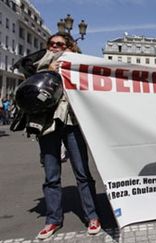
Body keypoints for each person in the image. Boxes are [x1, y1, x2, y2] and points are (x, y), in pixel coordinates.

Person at [35, 33, 101, 240]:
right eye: (52, 44)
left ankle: (92, 216)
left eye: (60, 44)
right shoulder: (41, 63)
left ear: (69, 46)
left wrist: (70, 63)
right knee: (51, 175)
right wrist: (48, 71)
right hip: (48, 124)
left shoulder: (76, 64)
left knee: (82, 172)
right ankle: (52, 219)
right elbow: (30, 85)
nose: (55, 47)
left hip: (72, 122)